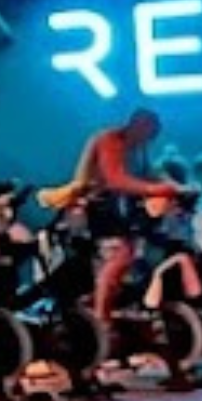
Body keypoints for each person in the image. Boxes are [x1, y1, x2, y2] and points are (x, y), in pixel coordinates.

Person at [72, 108, 194, 329]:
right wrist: (156, 188)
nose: (148, 140)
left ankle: (131, 301)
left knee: (149, 245)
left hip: (122, 209)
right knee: (118, 254)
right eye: (148, 133)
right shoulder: (109, 139)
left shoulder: (140, 149)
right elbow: (115, 179)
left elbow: (152, 173)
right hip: (97, 207)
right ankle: (100, 318)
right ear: (137, 125)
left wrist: (177, 188)